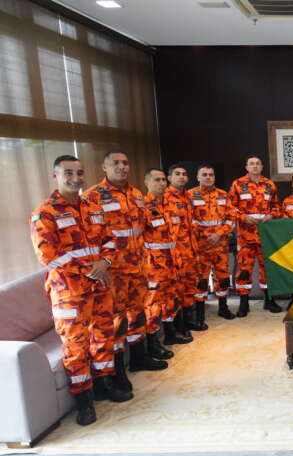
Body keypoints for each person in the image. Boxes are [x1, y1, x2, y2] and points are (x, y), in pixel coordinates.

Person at [31, 155, 131, 426]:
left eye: (79, 172)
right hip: (69, 292)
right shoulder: (45, 213)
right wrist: (91, 268)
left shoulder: (93, 207)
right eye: (68, 173)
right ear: (55, 175)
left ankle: (104, 385)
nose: (75, 178)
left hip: (100, 286)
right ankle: (83, 400)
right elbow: (49, 256)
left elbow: (111, 238)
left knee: (103, 335)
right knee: (76, 346)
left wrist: (105, 262)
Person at [82, 150, 166, 383]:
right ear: (104, 167)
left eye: (125, 163)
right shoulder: (92, 197)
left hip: (138, 267)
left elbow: (143, 228)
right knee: (117, 321)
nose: (122, 167)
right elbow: (90, 238)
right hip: (113, 272)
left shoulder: (136, 193)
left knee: (138, 313)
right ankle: (118, 372)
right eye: (116, 163)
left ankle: (139, 358)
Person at [143, 168, 190, 363]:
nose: (161, 183)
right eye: (157, 180)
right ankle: (152, 343)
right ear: (147, 182)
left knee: (171, 299)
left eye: (163, 179)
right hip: (154, 265)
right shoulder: (142, 206)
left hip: (172, 261)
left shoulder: (169, 204)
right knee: (153, 305)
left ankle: (170, 332)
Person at [229, 155, 282, 316]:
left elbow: (276, 207)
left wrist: (271, 215)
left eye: (258, 163)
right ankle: (244, 303)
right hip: (245, 235)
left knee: (267, 269)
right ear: (246, 167)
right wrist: (243, 217)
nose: (255, 166)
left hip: (265, 234)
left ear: (262, 167)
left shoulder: (269, 184)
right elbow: (229, 207)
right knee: (244, 270)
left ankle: (269, 300)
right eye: (251, 164)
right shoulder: (238, 184)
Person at [188, 164, 236, 322]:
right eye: (204, 174)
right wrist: (207, 234)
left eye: (211, 174)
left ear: (214, 177)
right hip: (200, 246)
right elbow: (188, 220)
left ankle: (223, 308)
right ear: (198, 177)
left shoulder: (223, 195)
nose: (208, 177)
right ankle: (200, 315)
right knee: (200, 280)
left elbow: (231, 219)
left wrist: (219, 233)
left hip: (220, 246)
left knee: (223, 278)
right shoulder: (190, 195)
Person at [164, 163, 203, 332]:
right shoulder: (164, 198)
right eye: (177, 174)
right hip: (174, 253)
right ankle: (176, 326)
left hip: (190, 250)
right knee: (175, 290)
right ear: (169, 178)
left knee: (188, 286)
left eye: (184, 174)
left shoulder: (188, 196)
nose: (181, 176)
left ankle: (188, 320)